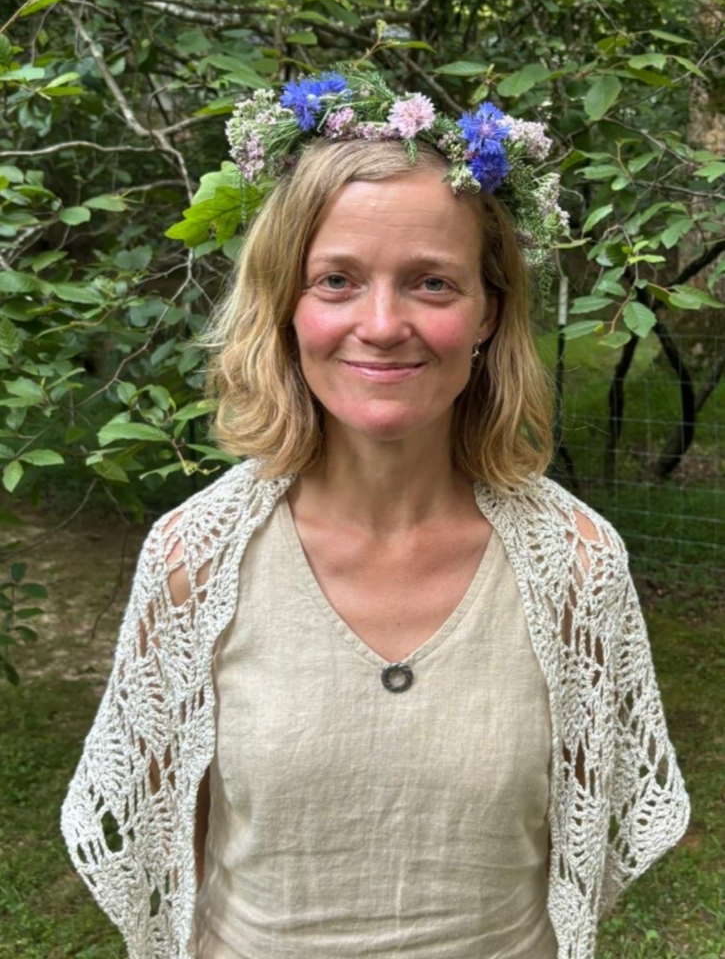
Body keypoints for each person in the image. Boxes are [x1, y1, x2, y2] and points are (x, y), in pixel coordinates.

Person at [61, 67, 691, 959]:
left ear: (486, 315)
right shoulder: (191, 562)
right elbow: (168, 849)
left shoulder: (577, 567)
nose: (382, 322)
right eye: (337, 281)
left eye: (432, 282)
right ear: (285, 307)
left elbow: (593, 844)